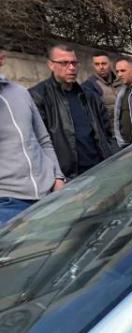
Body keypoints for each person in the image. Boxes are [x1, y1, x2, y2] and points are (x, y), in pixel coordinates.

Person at [30, 44, 116, 179]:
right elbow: (35, 143)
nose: (71, 68)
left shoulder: (89, 96)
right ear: (51, 65)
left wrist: (113, 158)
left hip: (101, 169)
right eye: (64, 63)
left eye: (74, 63)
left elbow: (107, 132)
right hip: (68, 178)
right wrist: (55, 177)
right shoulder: (38, 97)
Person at [0, 50, 64, 224]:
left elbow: (43, 139)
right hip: (7, 203)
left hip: (49, 192)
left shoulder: (20, 92)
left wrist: (58, 177)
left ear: (2, 58)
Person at [82, 50, 122, 120]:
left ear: (110, 63)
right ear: (93, 65)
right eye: (97, 64)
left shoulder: (121, 82)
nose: (101, 67)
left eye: (104, 63)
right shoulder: (89, 86)